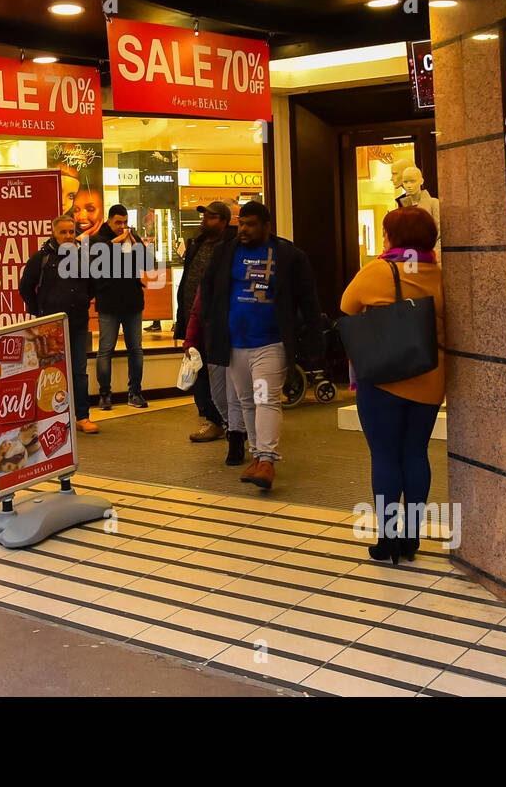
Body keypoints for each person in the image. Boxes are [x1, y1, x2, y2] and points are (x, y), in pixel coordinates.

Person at [340, 206, 445, 563]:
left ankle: (387, 541)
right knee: (416, 454)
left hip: (384, 378)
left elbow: (346, 304)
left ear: (392, 237)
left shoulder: (378, 271)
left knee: (385, 456)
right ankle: (411, 539)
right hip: (430, 378)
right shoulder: (440, 273)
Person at [195, 201, 323, 490]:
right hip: (234, 345)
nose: (243, 229)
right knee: (246, 402)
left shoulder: (289, 256)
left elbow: (308, 301)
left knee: (265, 398)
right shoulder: (225, 253)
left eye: (250, 224)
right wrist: (210, 327)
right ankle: (256, 456)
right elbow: (209, 291)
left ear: (267, 226)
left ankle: (267, 459)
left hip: (269, 344)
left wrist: (313, 340)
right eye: (241, 223)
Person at [18, 215, 98, 434]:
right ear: (54, 233)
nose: (68, 236)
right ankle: (52, 417)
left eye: (71, 232)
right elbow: (25, 287)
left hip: (78, 323)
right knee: (50, 373)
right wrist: (39, 311)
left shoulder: (83, 257)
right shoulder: (41, 259)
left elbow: (92, 286)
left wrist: (81, 302)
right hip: (49, 327)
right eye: (63, 232)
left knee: (79, 371)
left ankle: (82, 417)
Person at [176, 201, 236, 447]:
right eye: (204, 217)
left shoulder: (230, 248)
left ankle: (225, 420)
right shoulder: (196, 244)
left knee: (219, 372)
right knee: (198, 368)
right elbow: (189, 279)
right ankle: (210, 419)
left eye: (210, 218)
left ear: (223, 221)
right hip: (193, 314)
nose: (204, 221)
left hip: (216, 320)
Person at [92, 204, 148, 410]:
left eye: (125, 222)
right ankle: (105, 395)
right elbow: (96, 263)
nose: (122, 226)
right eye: (118, 222)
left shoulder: (132, 238)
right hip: (108, 304)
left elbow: (146, 262)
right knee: (105, 350)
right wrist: (117, 242)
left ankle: (135, 392)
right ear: (109, 221)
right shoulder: (99, 240)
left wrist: (133, 241)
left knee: (136, 350)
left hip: (132, 302)